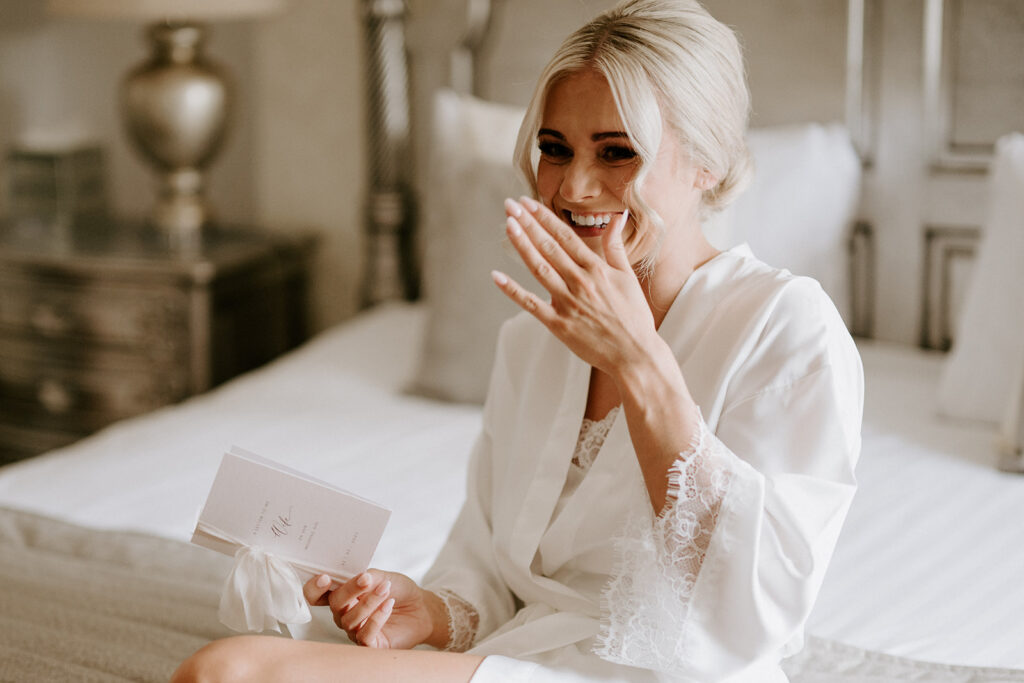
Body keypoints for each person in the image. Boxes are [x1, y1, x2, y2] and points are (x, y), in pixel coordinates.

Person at [172, 0, 862, 681]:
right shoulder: (531, 342)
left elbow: (755, 618)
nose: (573, 187)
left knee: (232, 669)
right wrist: (430, 611)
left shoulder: (788, 329)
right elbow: (491, 561)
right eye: (554, 149)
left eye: (617, 152)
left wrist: (640, 360)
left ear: (706, 164)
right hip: (522, 658)